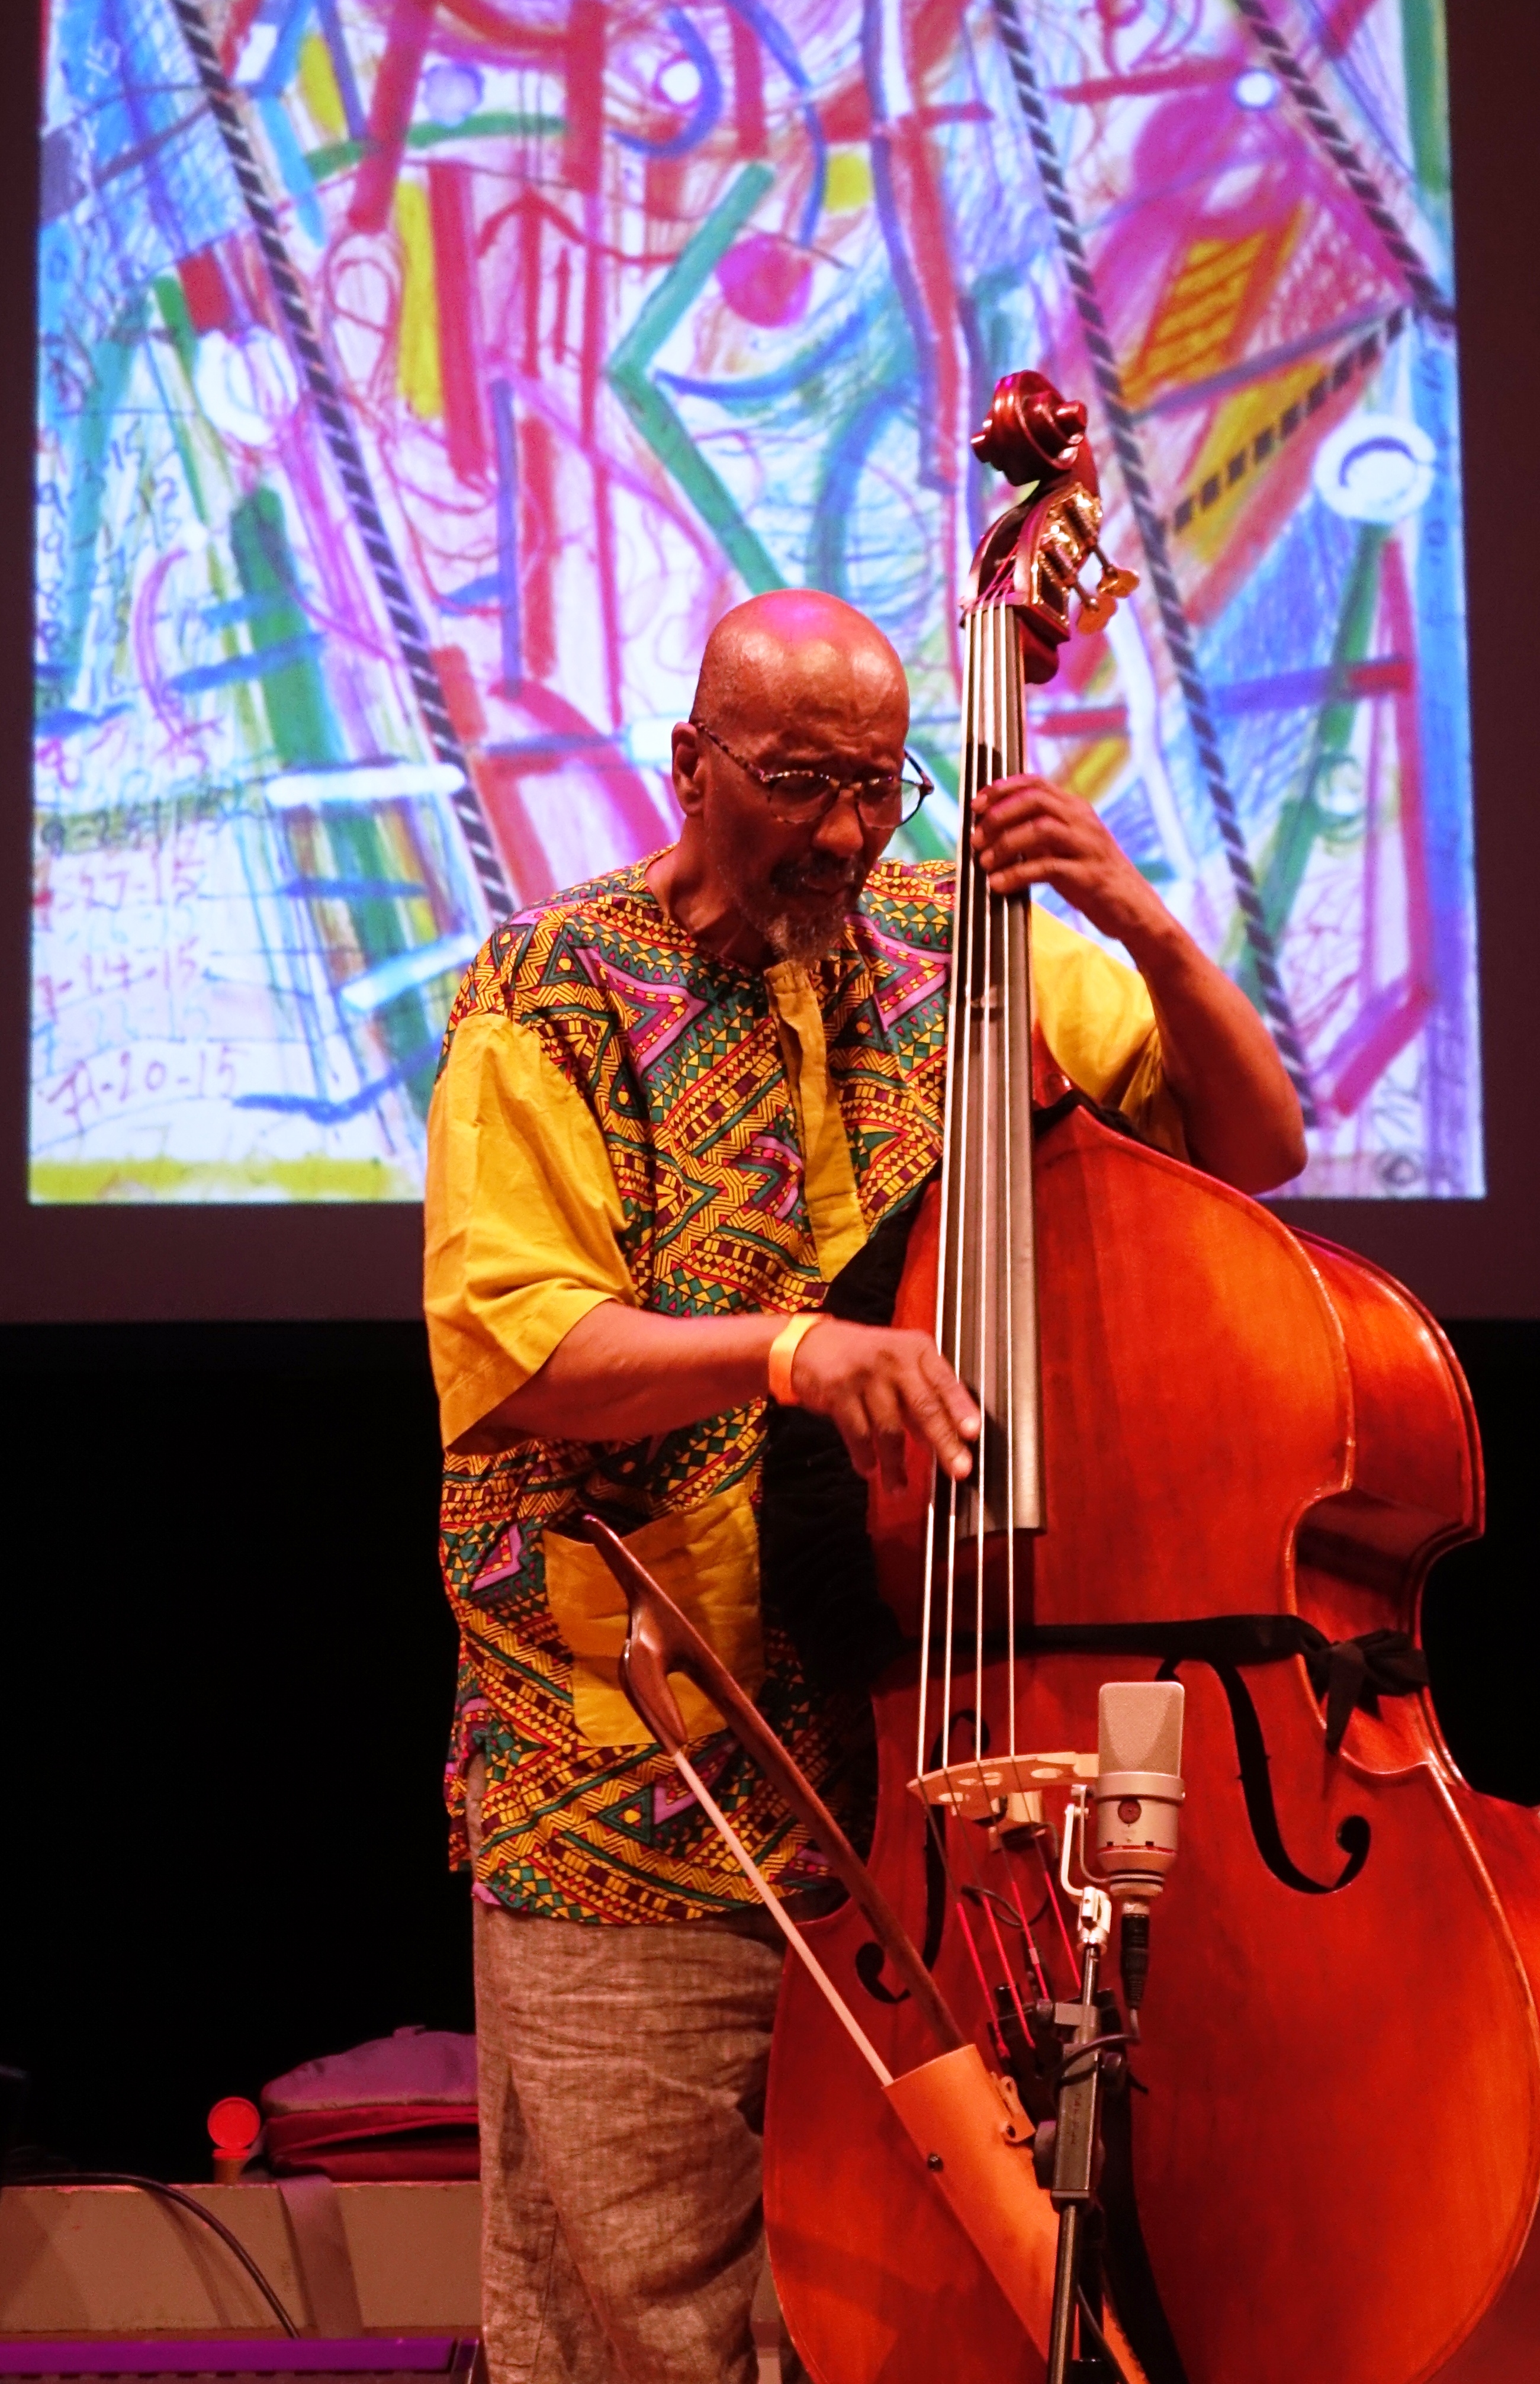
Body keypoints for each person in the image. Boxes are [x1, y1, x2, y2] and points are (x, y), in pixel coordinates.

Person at [425, 589, 1304, 2384]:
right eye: (795, 781)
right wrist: (786, 1348)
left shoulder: (972, 955)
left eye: (877, 787)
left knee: (901, 2319)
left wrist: (1134, 919)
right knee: (635, 2325)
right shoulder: (552, 986)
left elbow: (1252, 1148)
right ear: (690, 762)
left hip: (932, 1776)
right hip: (635, 1772)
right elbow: (516, 1346)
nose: (841, 831)